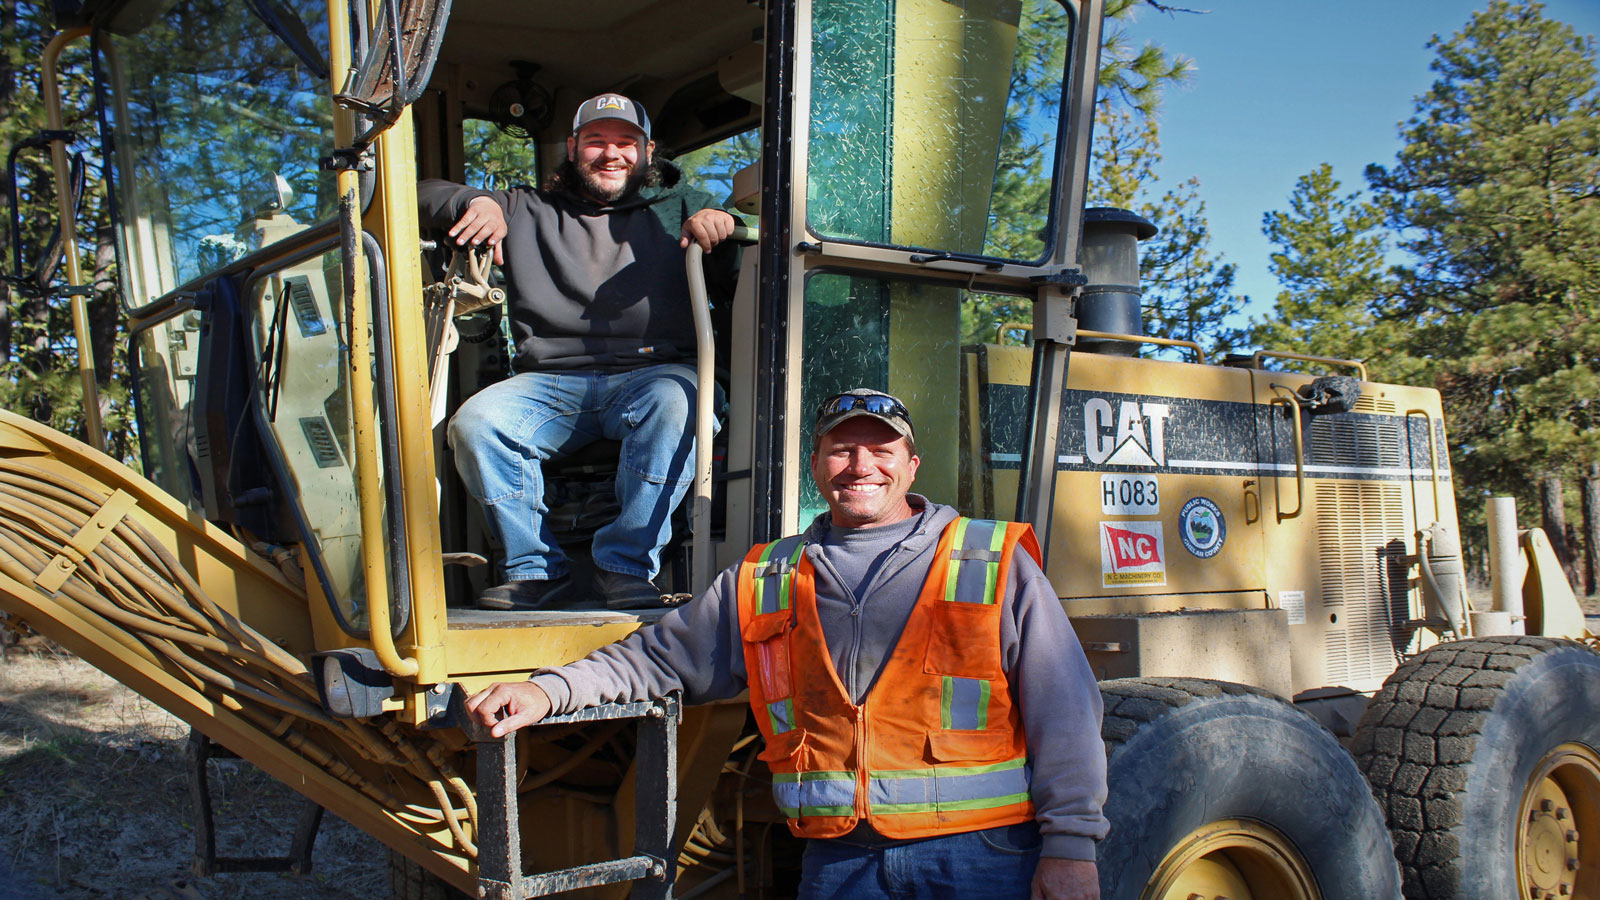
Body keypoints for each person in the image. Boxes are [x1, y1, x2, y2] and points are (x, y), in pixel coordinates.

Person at [466, 388, 1109, 899]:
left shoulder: (988, 558)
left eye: (881, 450)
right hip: (840, 859)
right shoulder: (767, 578)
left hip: (981, 855)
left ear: (911, 466)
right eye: (841, 450)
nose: (861, 466)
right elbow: (657, 659)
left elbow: (1067, 712)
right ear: (816, 465)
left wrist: (1072, 847)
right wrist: (546, 690)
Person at [419, 93, 738, 612]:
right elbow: (419, 193)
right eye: (595, 141)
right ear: (572, 148)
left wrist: (718, 223)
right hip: (550, 383)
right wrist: (473, 203)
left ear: (647, 150)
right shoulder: (524, 207)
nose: (610, 153)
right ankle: (535, 570)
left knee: (682, 401)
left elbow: (738, 246)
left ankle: (626, 568)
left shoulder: (683, 206)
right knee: (477, 423)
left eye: (625, 142)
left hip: (653, 372)